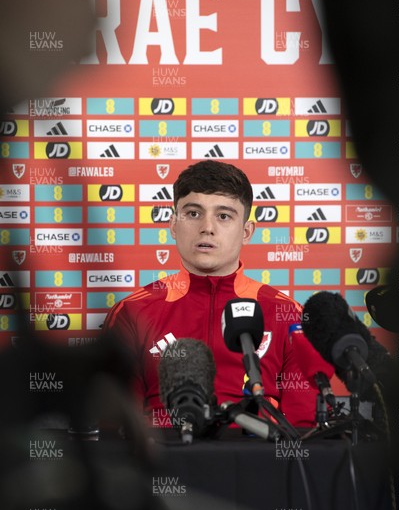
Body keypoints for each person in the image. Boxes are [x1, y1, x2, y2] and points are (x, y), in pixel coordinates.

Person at [104, 160, 325, 427]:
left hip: (257, 463)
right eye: (194, 213)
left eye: (223, 216)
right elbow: (117, 429)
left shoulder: (288, 314)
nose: (207, 227)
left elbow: (304, 430)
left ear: (246, 231)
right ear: (173, 225)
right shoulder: (133, 312)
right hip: (164, 462)